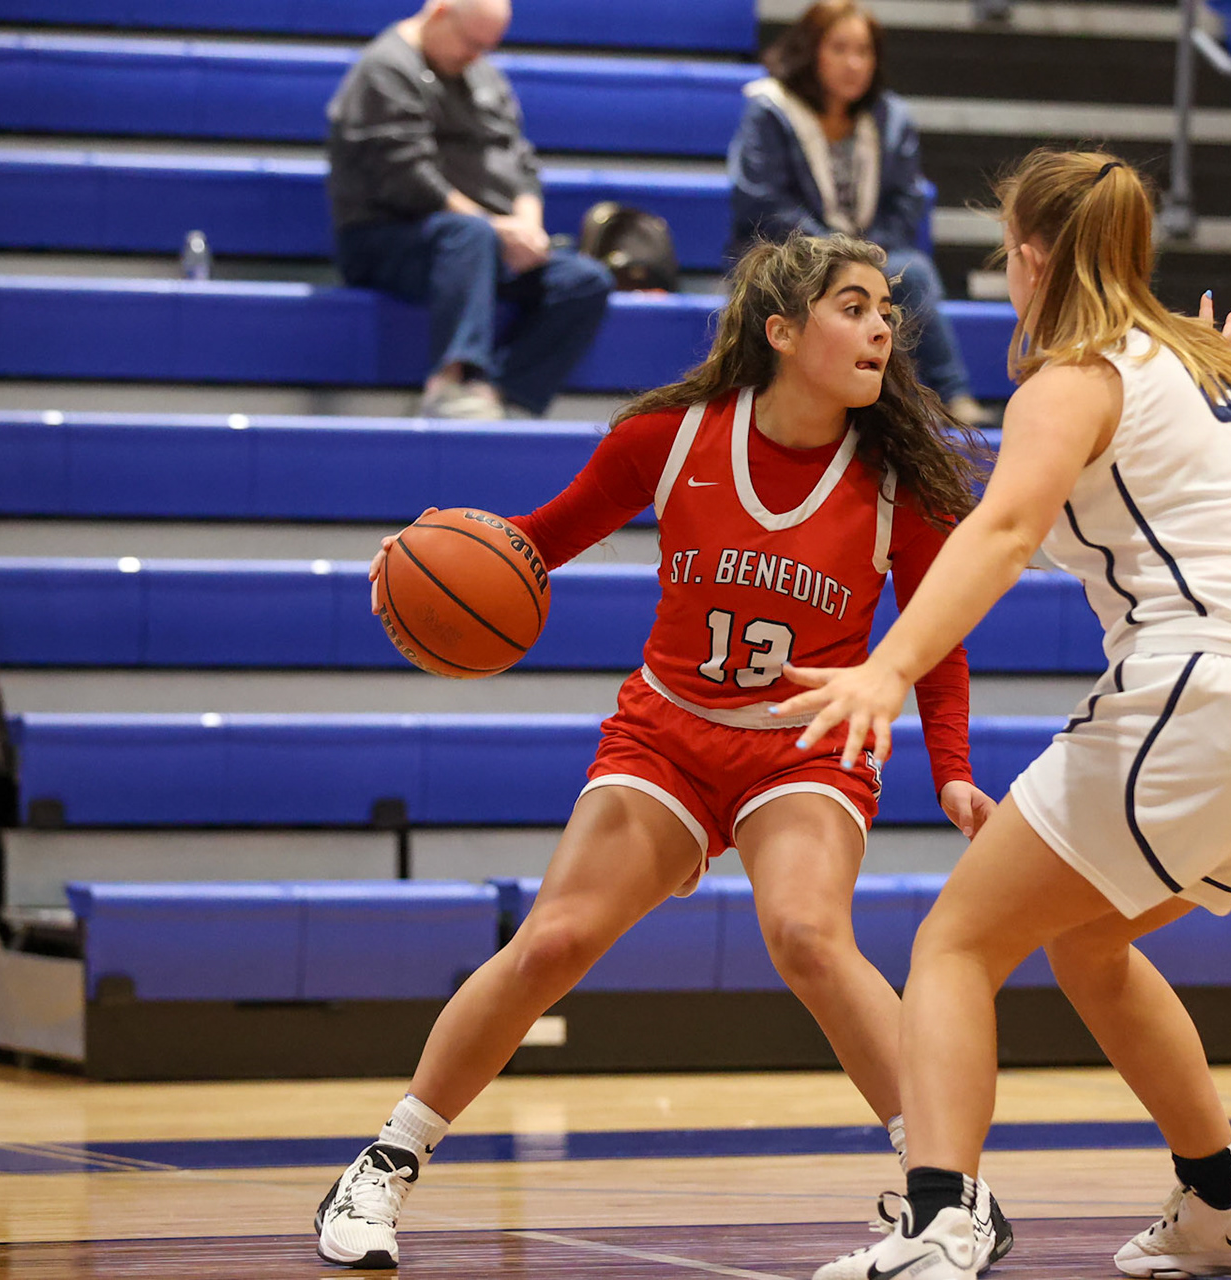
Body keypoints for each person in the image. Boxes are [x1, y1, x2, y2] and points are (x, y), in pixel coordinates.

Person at [314, 233, 1016, 1272]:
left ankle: (945, 1194)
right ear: (782, 331)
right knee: (551, 941)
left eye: (887, 312)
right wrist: (425, 554)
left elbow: (935, 635)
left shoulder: (895, 483)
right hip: (668, 735)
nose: (883, 328)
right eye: (855, 307)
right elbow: (533, 541)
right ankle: (383, 1160)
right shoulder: (670, 436)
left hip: (803, 749)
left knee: (809, 934)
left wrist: (951, 764)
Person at [781, 150, 1231, 1280]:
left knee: (954, 941)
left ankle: (941, 1217)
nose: (1005, 274)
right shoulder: (1221, 368)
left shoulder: (1075, 374)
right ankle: (1226, 1197)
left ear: (1036, 259)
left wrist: (887, 669)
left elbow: (1000, 537)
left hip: (1208, 694)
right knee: (1091, 945)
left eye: (1007, 254)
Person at [325, 0, 614, 419]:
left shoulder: (482, 75)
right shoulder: (385, 69)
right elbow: (406, 177)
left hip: (481, 240)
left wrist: (527, 225)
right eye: (470, 43)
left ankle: (500, 397)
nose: (476, 55)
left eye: (486, 47)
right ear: (441, 14)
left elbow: (521, 162)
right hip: (387, 238)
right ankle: (449, 382)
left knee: (585, 280)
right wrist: (494, 227)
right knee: (468, 235)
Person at [728, 1, 985, 426]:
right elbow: (763, 203)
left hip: (871, 255)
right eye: (840, 49)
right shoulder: (769, 111)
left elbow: (905, 204)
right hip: (787, 259)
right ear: (811, 52)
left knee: (911, 272)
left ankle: (948, 398)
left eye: (864, 52)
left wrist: (864, 255)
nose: (854, 63)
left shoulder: (891, 118)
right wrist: (834, 252)